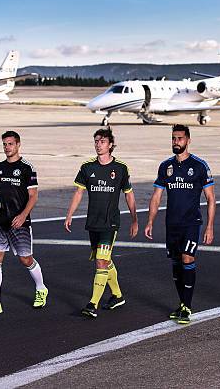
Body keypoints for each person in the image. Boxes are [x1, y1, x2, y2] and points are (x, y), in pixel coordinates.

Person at [145, 124, 215, 325]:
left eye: (180, 138)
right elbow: (157, 197)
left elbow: (210, 198)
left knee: (187, 258)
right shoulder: (165, 167)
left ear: (188, 140)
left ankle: (187, 306)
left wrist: (209, 226)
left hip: (191, 223)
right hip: (172, 224)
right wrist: (150, 221)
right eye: (174, 138)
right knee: (176, 264)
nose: (176, 142)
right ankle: (182, 304)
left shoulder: (200, 166)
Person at [64, 128, 138, 319]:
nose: (98, 144)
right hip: (93, 223)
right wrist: (69, 214)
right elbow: (79, 192)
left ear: (111, 144)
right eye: (96, 141)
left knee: (100, 261)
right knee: (105, 260)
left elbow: (128, 194)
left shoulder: (121, 168)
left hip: (110, 223)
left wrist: (135, 219)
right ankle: (118, 295)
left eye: (102, 141)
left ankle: (92, 304)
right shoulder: (87, 167)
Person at [0, 131, 47, 315]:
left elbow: (33, 196)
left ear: (18, 145)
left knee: (25, 259)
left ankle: (41, 288)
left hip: (19, 223)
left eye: (10, 144)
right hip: (0, 221)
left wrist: (23, 215)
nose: (7, 147)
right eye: (5, 144)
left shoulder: (27, 168)